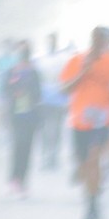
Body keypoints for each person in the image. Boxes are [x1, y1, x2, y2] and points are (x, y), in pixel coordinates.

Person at [62, 26, 109, 219]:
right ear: (91, 39)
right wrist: (83, 72)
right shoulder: (76, 59)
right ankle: (92, 201)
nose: (100, 42)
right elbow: (64, 89)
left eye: (104, 39)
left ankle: (92, 207)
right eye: (97, 38)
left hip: (103, 120)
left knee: (94, 159)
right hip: (79, 120)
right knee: (84, 165)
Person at [0, 38, 42, 195]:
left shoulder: (34, 72)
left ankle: (23, 180)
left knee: (27, 148)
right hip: (15, 115)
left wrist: (28, 95)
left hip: (30, 116)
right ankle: (13, 179)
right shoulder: (11, 72)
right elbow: (5, 90)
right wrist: (15, 95)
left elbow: (38, 94)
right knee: (17, 146)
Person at [35, 33, 70, 172]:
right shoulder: (40, 60)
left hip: (59, 99)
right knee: (45, 130)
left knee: (56, 129)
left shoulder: (63, 59)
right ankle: (45, 156)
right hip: (44, 99)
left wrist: (67, 100)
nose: (51, 44)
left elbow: (67, 80)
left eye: (53, 41)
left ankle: (54, 156)